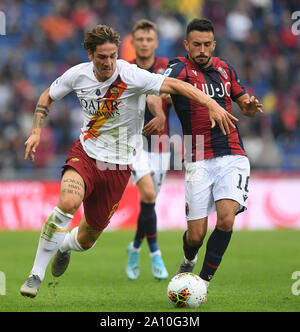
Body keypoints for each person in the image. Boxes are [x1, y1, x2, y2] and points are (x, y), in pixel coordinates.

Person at [20, 24, 238, 298]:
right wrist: (37, 129)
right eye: (102, 57)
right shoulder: (77, 75)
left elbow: (173, 85)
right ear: (90, 54)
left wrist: (211, 103)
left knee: (87, 240)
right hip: (86, 154)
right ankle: (35, 275)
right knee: (67, 203)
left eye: (113, 55)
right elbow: (47, 97)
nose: (109, 62)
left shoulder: (130, 74)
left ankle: (63, 246)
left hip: (119, 166)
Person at [164, 18, 263, 289]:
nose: (202, 50)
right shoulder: (179, 68)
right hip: (197, 156)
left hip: (232, 153)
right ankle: (189, 257)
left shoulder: (224, 68)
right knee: (196, 235)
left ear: (214, 44)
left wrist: (250, 106)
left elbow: (243, 101)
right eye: (196, 45)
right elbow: (158, 89)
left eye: (207, 45)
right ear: (187, 44)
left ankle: (202, 284)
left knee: (226, 218)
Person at [125, 19, 171, 280]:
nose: (144, 43)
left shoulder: (168, 67)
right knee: (149, 194)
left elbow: (176, 96)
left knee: (148, 203)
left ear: (155, 42)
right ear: (133, 43)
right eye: (139, 40)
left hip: (162, 144)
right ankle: (155, 253)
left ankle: (134, 247)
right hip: (134, 144)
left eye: (148, 39)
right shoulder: (125, 69)